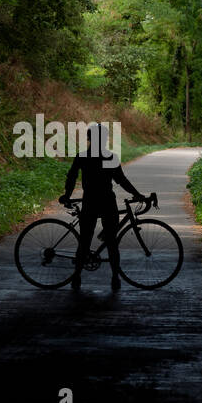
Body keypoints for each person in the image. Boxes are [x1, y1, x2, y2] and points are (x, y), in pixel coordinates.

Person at [59, 122, 146, 291]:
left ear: (89, 139)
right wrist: (137, 194)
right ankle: (115, 278)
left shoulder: (82, 156)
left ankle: (76, 277)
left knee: (84, 241)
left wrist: (67, 195)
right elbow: (121, 180)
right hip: (107, 201)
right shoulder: (109, 157)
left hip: (90, 201)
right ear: (105, 139)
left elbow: (71, 177)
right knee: (112, 242)